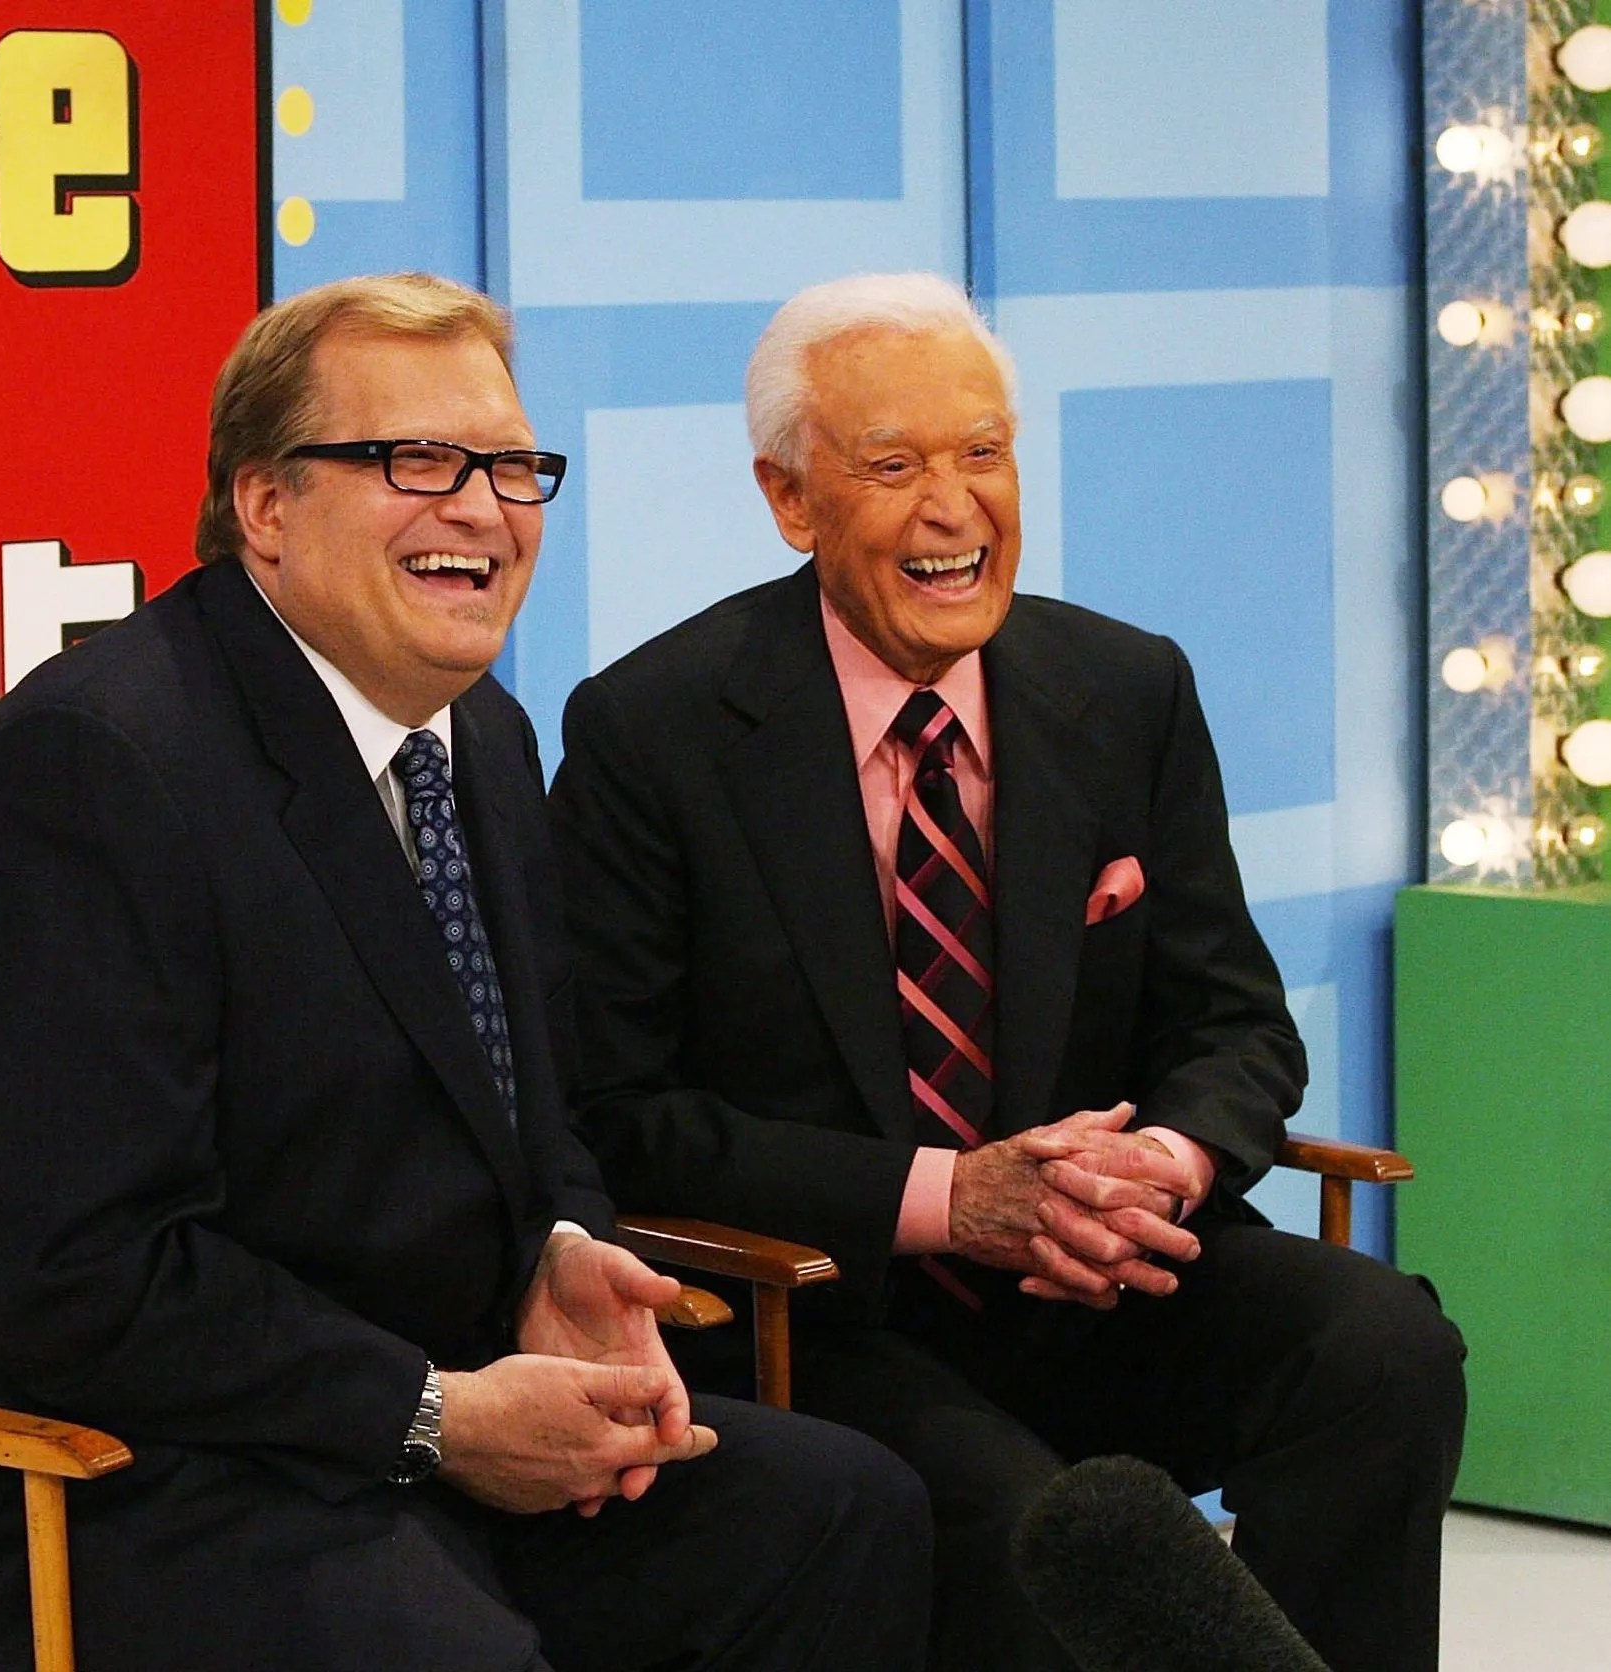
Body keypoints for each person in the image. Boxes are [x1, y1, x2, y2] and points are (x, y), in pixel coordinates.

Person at [0, 273, 932, 1672]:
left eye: (508, 467)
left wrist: (554, 1247)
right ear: (263, 507)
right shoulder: (88, 776)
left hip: (349, 1414)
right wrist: (433, 1415)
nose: (481, 508)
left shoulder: (477, 736)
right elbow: (76, 1281)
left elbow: (521, 1099)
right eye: (413, 461)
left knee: (839, 1510)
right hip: (48, 1462)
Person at [547, 270, 1466, 1672]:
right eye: (893, 464)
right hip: (838, 1307)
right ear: (791, 501)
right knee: (1035, 1533)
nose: (953, 505)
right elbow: (622, 1117)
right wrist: (950, 1202)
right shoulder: (652, 731)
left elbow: (1230, 1025)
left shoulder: (1126, 688)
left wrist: (1157, 1165)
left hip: (1102, 1280)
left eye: (983, 452)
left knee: (1377, 1345)